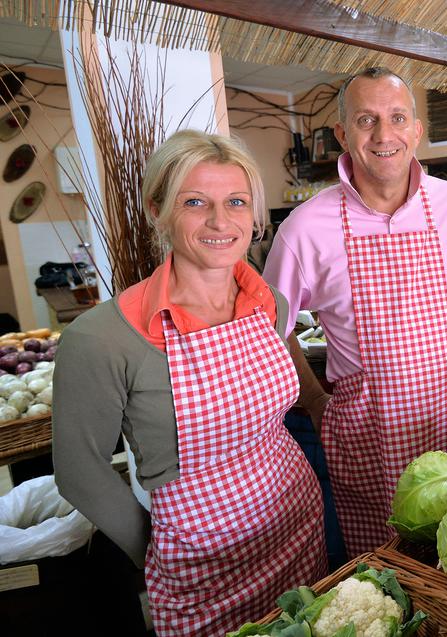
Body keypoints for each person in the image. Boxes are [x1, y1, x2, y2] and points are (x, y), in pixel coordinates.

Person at [52, 130, 327, 636]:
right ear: (157, 209)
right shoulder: (103, 337)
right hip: (202, 569)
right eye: (195, 202)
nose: (221, 221)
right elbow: (78, 470)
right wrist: (157, 549)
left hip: (297, 526)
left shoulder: (269, 304)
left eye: (237, 202)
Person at [263, 67, 447, 556]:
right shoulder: (304, 229)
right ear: (342, 134)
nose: (384, 135)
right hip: (369, 433)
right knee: (388, 567)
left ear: (417, 130)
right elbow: (271, 327)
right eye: (366, 120)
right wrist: (313, 401)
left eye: (397, 117)